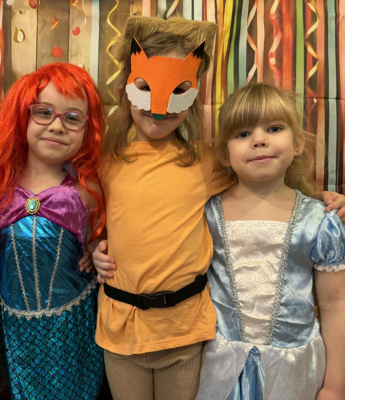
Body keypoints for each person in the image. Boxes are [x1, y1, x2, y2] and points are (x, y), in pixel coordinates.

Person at [92, 15, 345, 400]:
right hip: (121, 328)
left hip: (188, 332)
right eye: (145, 87)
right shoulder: (106, 164)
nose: (160, 104)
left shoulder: (208, 162)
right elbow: (92, 220)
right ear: (126, 87)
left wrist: (326, 199)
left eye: (177, 90)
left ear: (193, 95)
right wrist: (94, 249)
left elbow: (264, 178)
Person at [0, 62, 106, 399]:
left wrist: (97, 251)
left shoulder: (86, 190)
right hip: (18, 331)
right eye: (44, 112)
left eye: (72, 118)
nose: (57, 126)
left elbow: (98, 240)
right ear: (22, 117)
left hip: (74, 329)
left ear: (87, 128)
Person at [195, 83, 344, 400]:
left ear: (298, 143)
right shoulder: (204, 214)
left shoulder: (320, 221)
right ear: (223, 154)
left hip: (294, 373)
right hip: (220, 368)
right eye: (242, 134)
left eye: (274, 128)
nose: (259, 140)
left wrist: (336, 385)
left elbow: (336, 305)